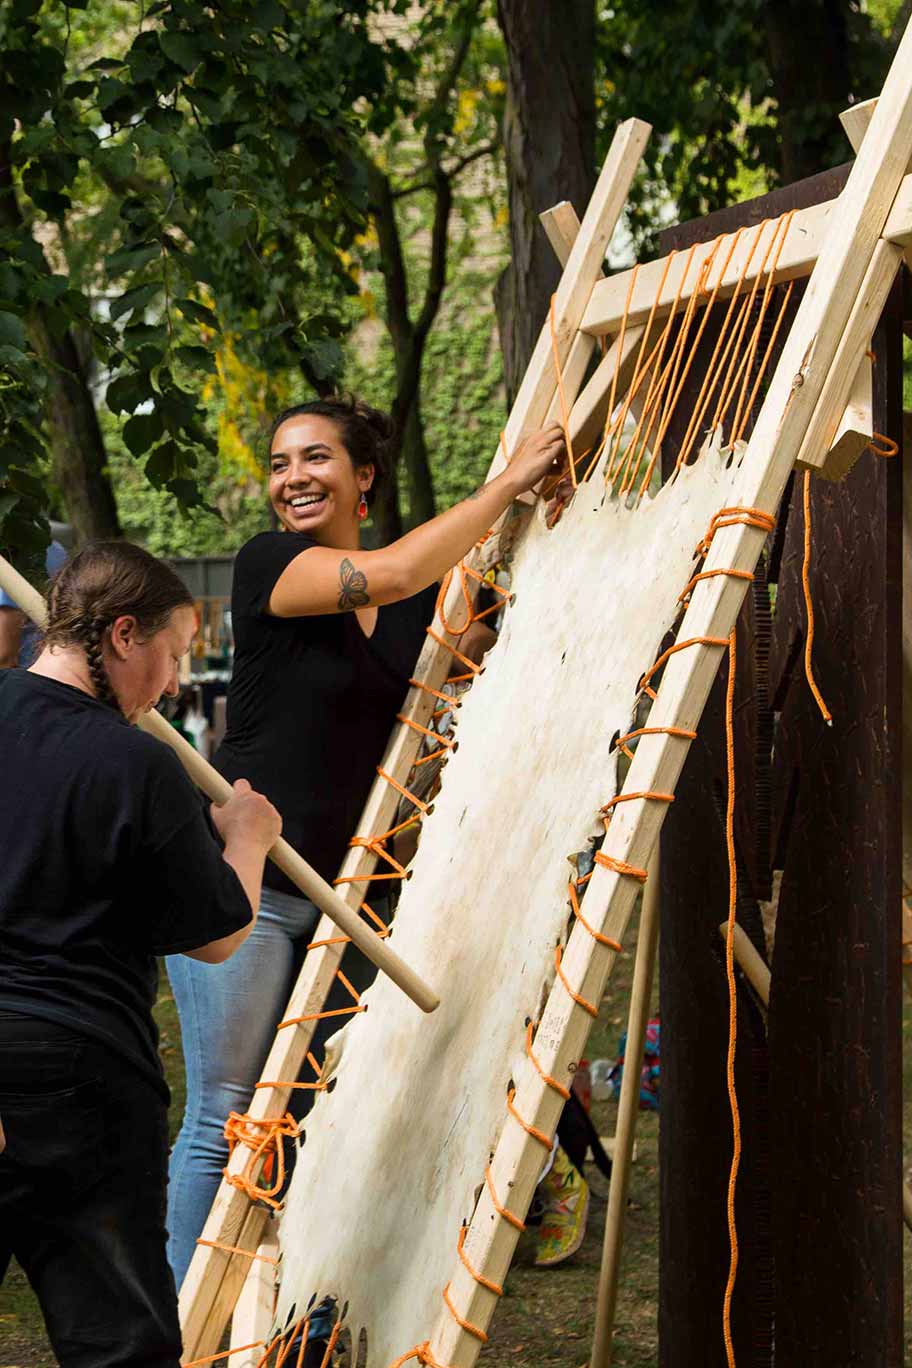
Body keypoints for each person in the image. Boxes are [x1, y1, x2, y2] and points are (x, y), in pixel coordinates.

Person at [165, 396, 568, 1290]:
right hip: (248, 878)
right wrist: (508, 482)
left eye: (314, 459)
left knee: (309, 1111)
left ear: (364, 477)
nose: (292, 478)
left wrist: (549, 530)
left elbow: (469, 642)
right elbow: (384, 574)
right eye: (278, 464)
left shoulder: (418, 596)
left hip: (348, 894)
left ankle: (272, 1307)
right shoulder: (273, 562)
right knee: (225, 1110)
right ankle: (175, 1326)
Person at [0, 542, 281, 1368]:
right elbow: (220, 931)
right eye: (172, 654)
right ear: (125, 635)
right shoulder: (136, 765)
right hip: (82, 1077)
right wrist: (249, 838)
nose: (168, 683)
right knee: (119, 1342)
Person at [0, 537, 67, 668]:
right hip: (50, 668)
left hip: (18, 676)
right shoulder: (53, 548)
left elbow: (4, 654)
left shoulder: (10, 555)